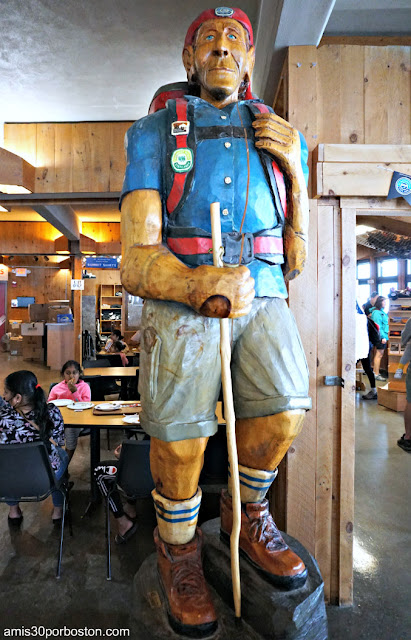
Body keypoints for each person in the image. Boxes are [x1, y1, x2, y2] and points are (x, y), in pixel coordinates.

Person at [120, 7, 310, 636]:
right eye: (209, 39)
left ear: (251, 60)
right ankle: (177, 551)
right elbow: (135, 261)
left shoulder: (279, 134)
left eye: (236, 39)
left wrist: (298, 178)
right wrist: (196, 284)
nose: (223, 48)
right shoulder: (153, 132)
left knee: (285, 409)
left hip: (265, 292)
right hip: (182, 297)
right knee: (179, 439)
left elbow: (298, 257)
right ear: (188, 59)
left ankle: (246, 514)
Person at [0, 370, 67, 524]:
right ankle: (57, 510)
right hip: (44, 479)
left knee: (7, 462)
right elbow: (59, 441)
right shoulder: (52, 412)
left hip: (6, 481)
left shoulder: (2, 416)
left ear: (17, 398)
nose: (4, 396)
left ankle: (14, 510)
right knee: (61, 454)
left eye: (6, 392)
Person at [48, 360, 91, 462]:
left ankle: (64, 465)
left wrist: (74, 392)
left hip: (77, 419)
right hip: (59, 419)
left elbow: (85, 405)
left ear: (79, 374)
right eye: (68, 373)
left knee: (70, 430)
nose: (71, 376)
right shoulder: (56, 388)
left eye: (74, 372)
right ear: (63, 374)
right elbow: (49, 405)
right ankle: (55, 459)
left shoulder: (84, 387)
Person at [94, 444, 138, 543]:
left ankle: (123, 522)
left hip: (141, 471)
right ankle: (130, 506)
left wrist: (124, 456)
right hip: (162, 476)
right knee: (140, 450)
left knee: (99, 472)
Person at [370, 296, 388, 381]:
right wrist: (383, 337)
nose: (385, 303)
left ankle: (375, 373)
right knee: (379, 355)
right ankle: (376, 374)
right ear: (380, 302)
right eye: (384, 302)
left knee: (379, 355)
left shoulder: (380, 312)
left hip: (382, 335)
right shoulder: (377, 313)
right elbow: (378, 326)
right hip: (380, 337)